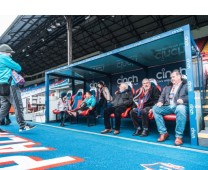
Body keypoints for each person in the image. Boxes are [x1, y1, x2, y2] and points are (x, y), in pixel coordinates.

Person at [0, 44, 36, 132]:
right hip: (10, 85)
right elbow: (18, 67)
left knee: (4, 107)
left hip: (1, 86)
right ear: (5, 52)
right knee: (18, 105)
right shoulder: (4, 58)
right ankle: (22, 125)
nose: (11, 55)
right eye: (9, 53)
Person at [152, 69, 188, 146]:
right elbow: (162, 96)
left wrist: (183, 100)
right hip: (168, 106)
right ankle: (163, 133)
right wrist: (160, 101)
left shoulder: (186, 85)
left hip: (180, 106)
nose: (172, 78)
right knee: (155, 108)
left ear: (179, 76)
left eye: (173, 76)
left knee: (180, 108)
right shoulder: (167, 87)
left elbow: (191, 96)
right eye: (171, 77)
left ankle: (179, 136)